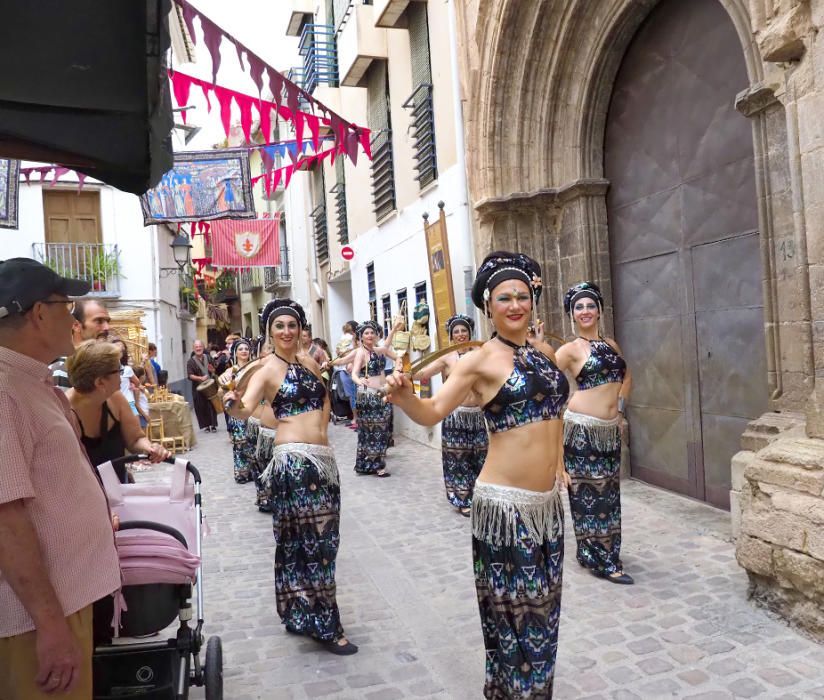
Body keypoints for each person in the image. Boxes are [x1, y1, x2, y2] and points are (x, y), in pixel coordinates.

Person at [385, 251, 569, 698]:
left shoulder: (544, 353)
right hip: (504, 508)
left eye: (522, 296)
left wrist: (560, 463)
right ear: (488, 306)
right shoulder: (477, 361)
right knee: (513, 611)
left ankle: (531, 691)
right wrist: (405, 397)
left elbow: (556, 417)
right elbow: (431, 411)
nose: (515, 305)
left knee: (543, 610)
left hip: (547, 508)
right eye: (504, 298)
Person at [0, 258, 120, 699]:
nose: (73, 318)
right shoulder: (4, 390)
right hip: (35, 620)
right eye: (66, 306)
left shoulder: (28, 380)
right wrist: (50, 625)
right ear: (38, 313)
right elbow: (5, 519)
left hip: (58, 604)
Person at [223, 298, 357, 655]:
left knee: (323, 541)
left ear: (300, 329)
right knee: (312, 544)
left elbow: (325, 398)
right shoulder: (265, 370)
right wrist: (230, 401)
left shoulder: (310, 362)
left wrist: (322, 432)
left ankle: (300, 612)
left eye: (292, 325)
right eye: (279, 326)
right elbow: (244, 410)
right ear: (269, 332)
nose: (286, 331)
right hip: (293, 463)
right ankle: (326, 625)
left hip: (323, 461)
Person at [555, 282, 633, 585]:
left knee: (609, 495)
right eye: (579, 307)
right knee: (589, 497)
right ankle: (603, 561)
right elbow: (544, 384)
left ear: (599, 310)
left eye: (590, 305)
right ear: (572, 315)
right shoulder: (569, 351)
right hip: (582, 433)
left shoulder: (611, 345)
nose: (585, 311)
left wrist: (621, 412)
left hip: (608, 433)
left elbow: (627, 376)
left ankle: (596, 552)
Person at [414, 314, 488, 517]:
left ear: (469, 332)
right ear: (451, 336)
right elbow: (424, 373)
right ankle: (463, 499)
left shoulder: (481, 353)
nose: (461, 334)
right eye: (456, 331)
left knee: (481, 457)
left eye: (464, 330)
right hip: (456, 415)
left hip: (477, 416)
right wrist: (408, 372)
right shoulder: (446, 357)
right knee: (458, 459)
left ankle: (481, 497)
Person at [66, 340, 169, 482]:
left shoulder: (115, 398)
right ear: (100, 382)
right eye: (118, 370)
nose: (122, 376)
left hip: (119, 489)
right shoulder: (65, 412)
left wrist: (150, 448)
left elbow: (135, 438)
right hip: (85, 497)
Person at [350, 320, 399, 477]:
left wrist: (398, 368)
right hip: (367, 395)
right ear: (361, 337)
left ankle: (367, 464)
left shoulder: (378, 350)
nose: (369, 335)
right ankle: (377, 467)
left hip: (381, 393)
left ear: (376, 335)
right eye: (366, 333)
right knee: (371, 430)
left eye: (372, 333)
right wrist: (360, 382)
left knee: (381, 429)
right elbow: (354, 374)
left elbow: (395, 354)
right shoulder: (360, 353)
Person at [49, 298, 112, 389]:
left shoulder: (105, 364)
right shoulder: (63, 368)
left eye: (107, 321)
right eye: (99, 321)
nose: (107, 327)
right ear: (76, 326)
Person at [222, 338, 256, 483]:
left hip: (253, 409)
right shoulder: (230, 371)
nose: (244, 351)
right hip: (237, 409)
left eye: (246, 349)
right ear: (235, 353)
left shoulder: (254, 368)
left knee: (253, 441)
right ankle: (242, 473)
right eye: (240, 349)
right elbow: (222, 389)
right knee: (240, 442)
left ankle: (255, 471)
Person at [187, 339, 218, 432]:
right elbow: (190, 375)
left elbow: (214, 370)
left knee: (211, 405)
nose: (198, 348)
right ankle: (206, 426)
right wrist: (200, 378)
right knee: (201, 406)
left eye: (200, 346)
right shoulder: (190, 361)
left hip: (210, 386)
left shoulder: (208, 358)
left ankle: (213, 425)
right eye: (196, 347)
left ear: (203, 347)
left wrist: (212, 370)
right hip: (198, 388)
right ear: (193, 348)